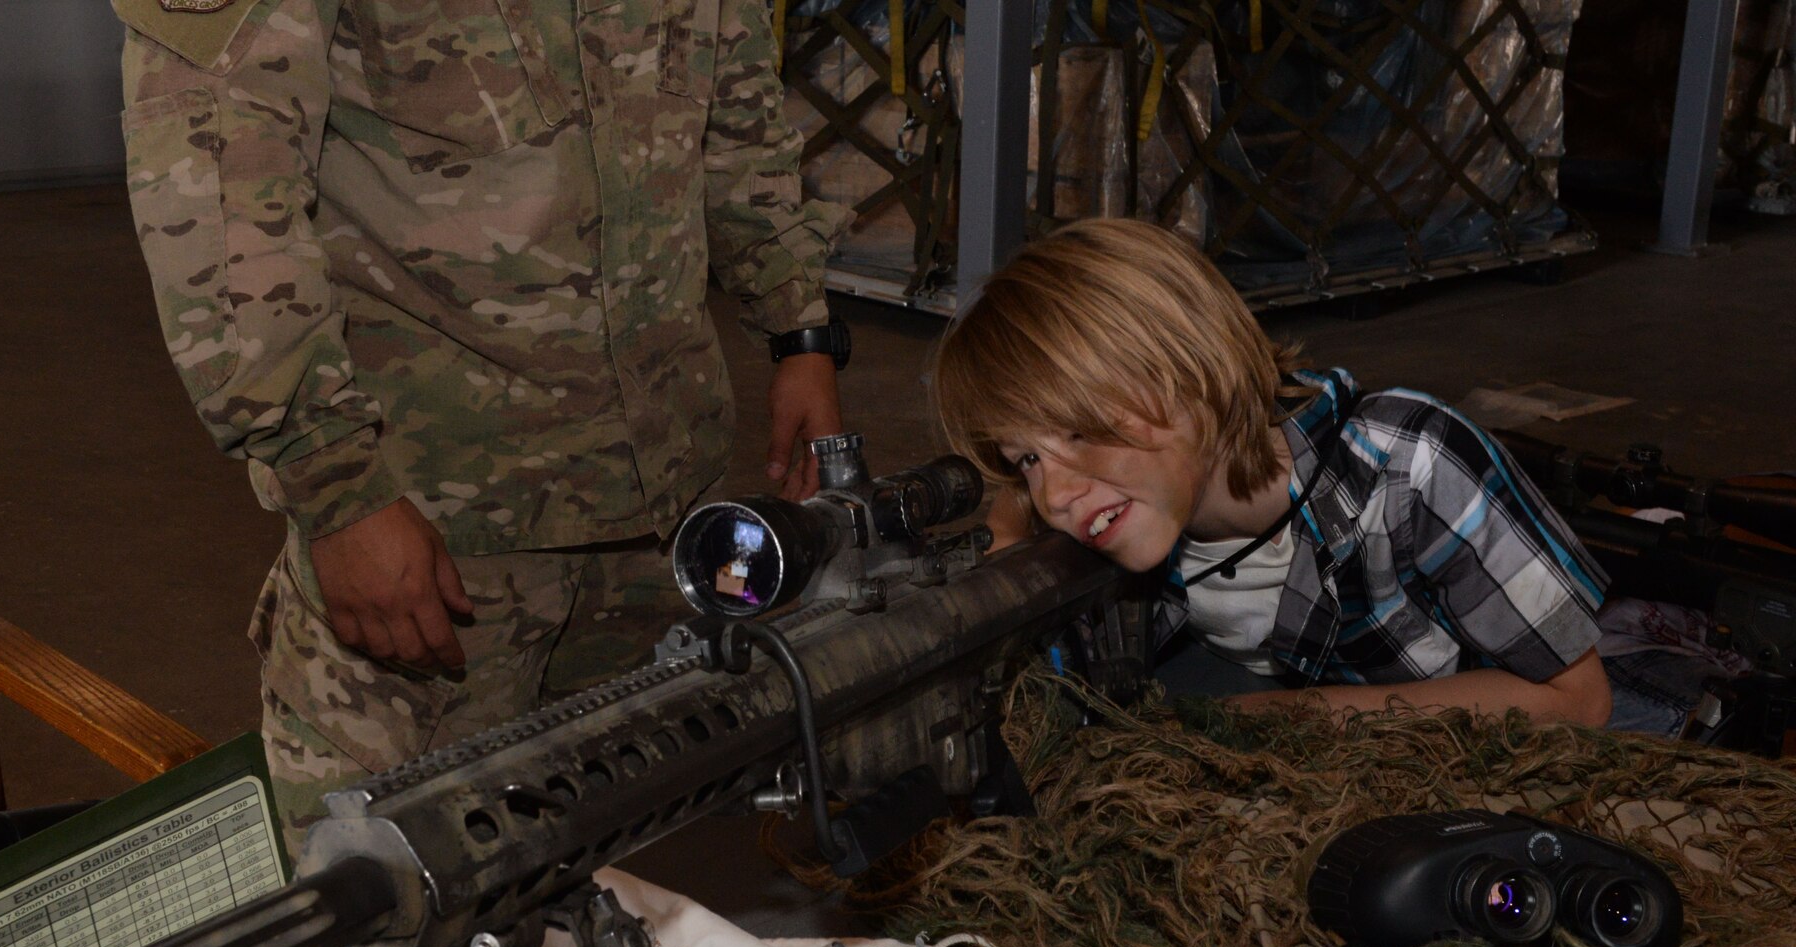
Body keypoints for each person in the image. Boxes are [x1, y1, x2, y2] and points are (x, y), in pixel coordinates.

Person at [114, 0, 851, 838]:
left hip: (661, 518)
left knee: (604, 911)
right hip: (437, 543)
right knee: (379, 916)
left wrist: (801, 326)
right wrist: (335, 484)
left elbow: (734, 97)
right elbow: (217, 190)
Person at [931, 218, 1613, 727]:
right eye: (1027, 458)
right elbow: (1015, 512)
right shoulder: (1114, 502)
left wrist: (1290, 716)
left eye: (1080, 431)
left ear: (1183, 366)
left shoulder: (1412, 466)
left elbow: (1580, 700)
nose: (1057, 493)